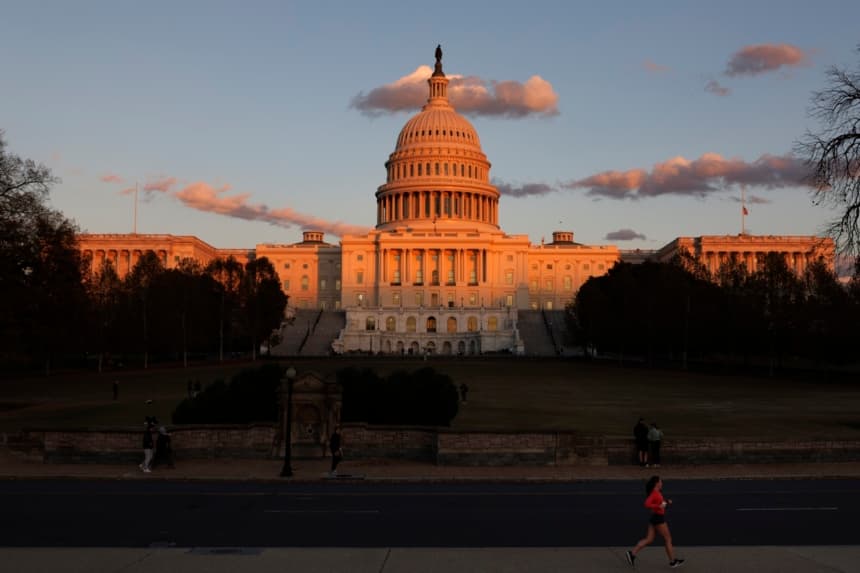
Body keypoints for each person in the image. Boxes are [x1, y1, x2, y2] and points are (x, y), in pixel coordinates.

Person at [626, 476, 685, 568]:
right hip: (658, 519)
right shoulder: (655, 493)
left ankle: (632, 554)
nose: (662, 484)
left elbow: (660, 504)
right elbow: (647, 504)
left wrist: (666, 502)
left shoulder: (656, 493)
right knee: (668, 539)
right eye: (661, 482)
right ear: (656, 483)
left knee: (649, 539)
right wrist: (658, 506)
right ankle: (673, 561)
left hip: (655, 517)